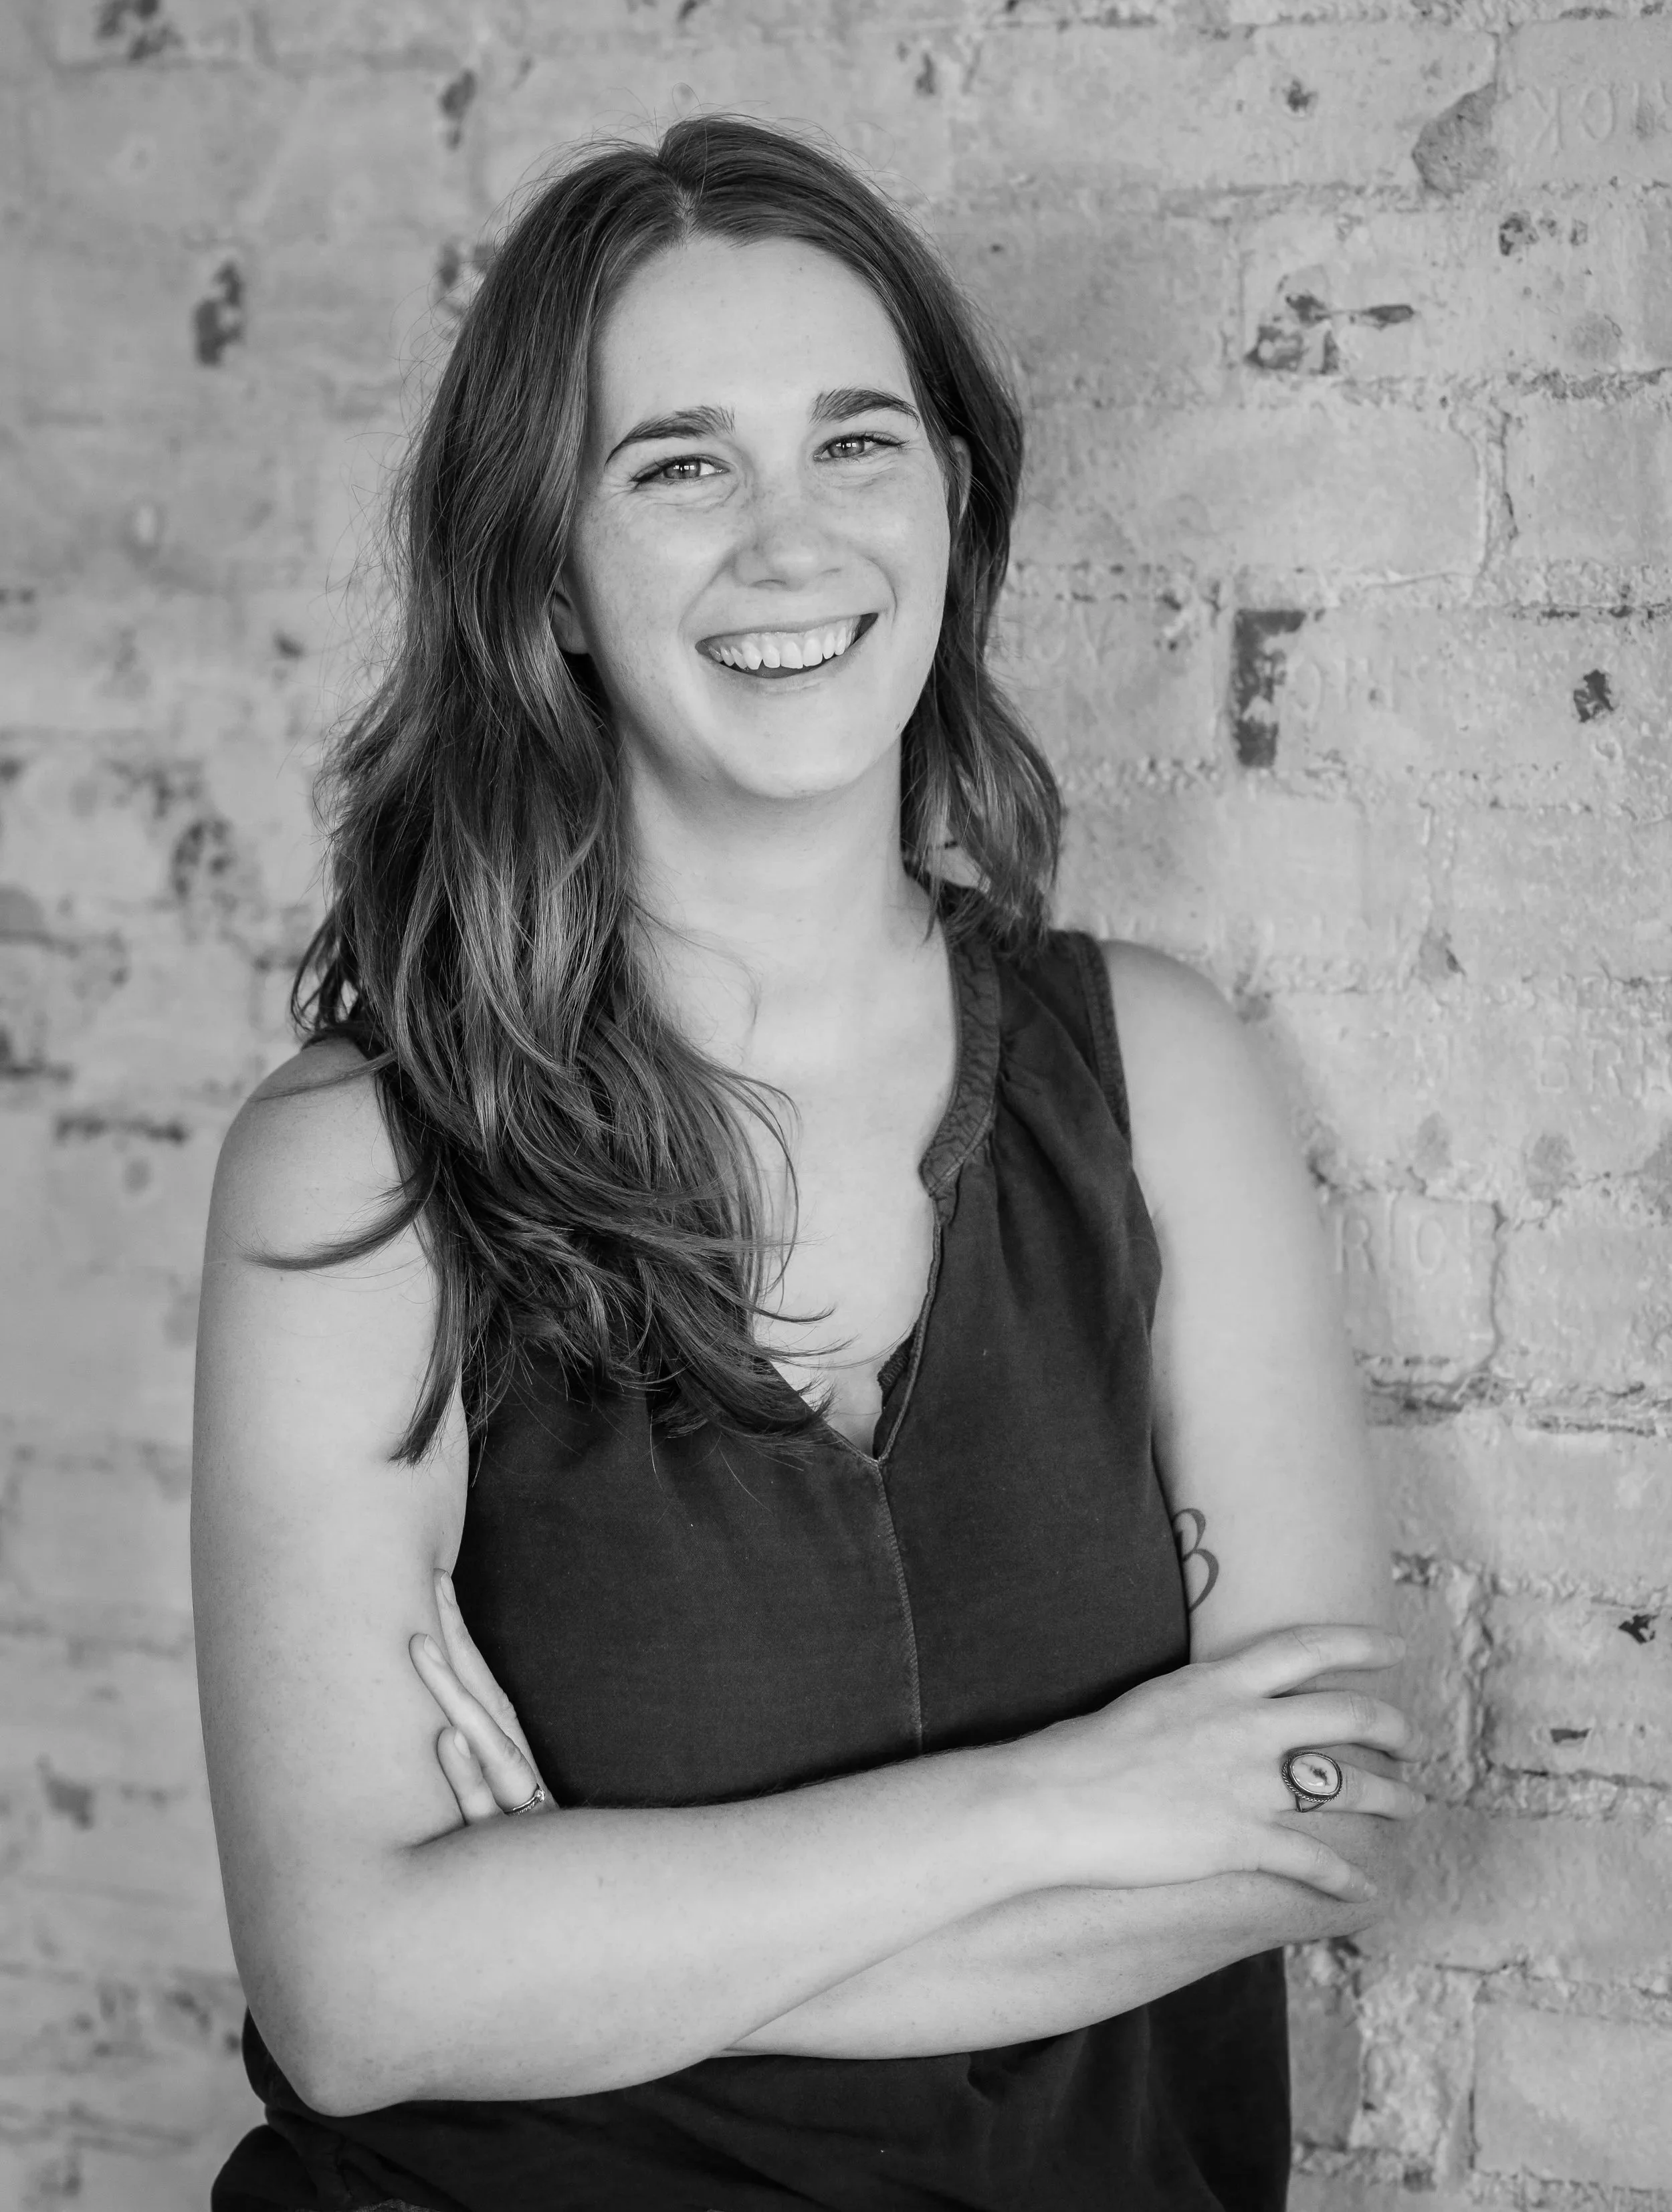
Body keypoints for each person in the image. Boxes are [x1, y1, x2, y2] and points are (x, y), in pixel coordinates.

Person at [193, 114, 1421, 2212]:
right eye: (677, 465)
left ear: (949, 498)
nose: (791, 543)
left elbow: (1330, 1813)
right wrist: (1075, 1803)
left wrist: (583, 1942)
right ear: (541, 574)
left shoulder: (1158, 1071)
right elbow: (356, 1997)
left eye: (858, 443)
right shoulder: (360, 1172)